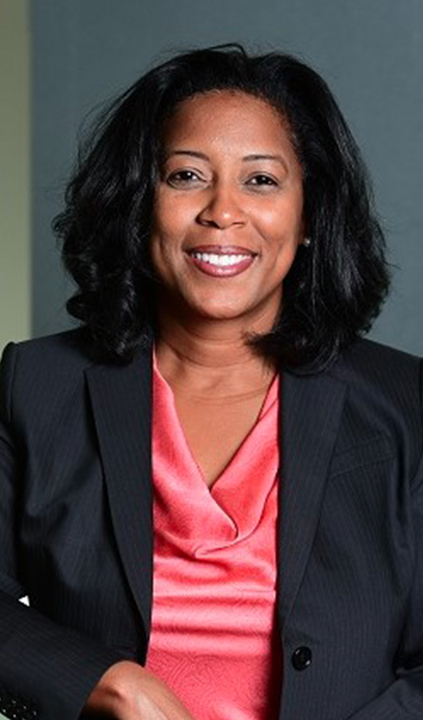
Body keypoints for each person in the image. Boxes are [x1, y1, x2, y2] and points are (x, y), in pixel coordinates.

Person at [0, 43, 422, 720]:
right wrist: (101, 680)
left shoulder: (405, 404)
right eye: (186, 175)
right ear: (140, 205)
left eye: (260, 181)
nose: (222, 211)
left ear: (309, 214)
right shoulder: (38, 384)